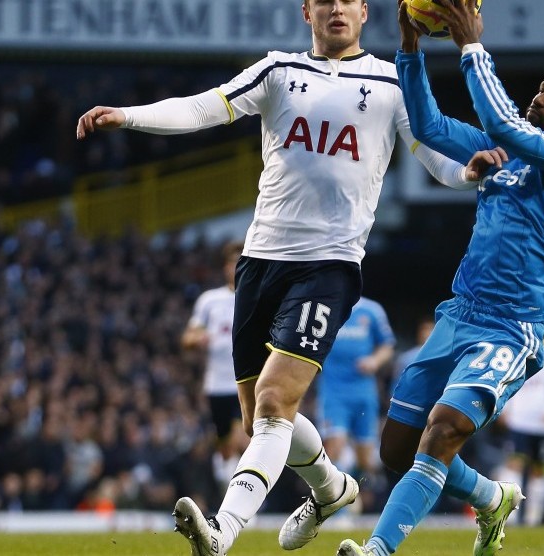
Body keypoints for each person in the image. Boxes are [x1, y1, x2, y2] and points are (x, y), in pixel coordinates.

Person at [76, 1, 489, 555]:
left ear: (365, 12)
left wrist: (468, 174)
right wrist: (129, 115)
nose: (337, 7)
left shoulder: (390, 81)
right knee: (260, 420)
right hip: (260, 260)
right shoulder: (278, 71)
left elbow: (430, 155)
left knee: (273, 403)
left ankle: (222, 531)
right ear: (307, 11)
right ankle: (332, 488)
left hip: (330, 265)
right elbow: (206, 109)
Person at [338, 1, 544, 555]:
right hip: (459, 313)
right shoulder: (503, 151)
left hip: (512, 327)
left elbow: (505, 120)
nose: (540, 96)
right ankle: (489, 497)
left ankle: (377, 550)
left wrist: (470, 44)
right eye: (542, 87)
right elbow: (431, 126)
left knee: (443, 430)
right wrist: (409, 49)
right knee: (396, 451)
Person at [180, 240, 249, 495]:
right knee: (226, 447)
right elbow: (187, 338)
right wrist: (198, 338)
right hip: (217, 384)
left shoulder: (258, 296)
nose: (236, 266)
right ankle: (231, 491)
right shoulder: (210, 300)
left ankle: (242, 497)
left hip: (248, 380)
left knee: (245, 439)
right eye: (232, 262)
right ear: (224, 267)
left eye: (241, 261)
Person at [316, 296, 396, 512]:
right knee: (334, 448)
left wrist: (375, 361)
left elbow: (387, 345)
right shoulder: (326, 308)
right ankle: (333, 506)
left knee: (365, 459)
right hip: (333, 394)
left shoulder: (371, 310)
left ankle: (356, 494)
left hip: (363, 394)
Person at [499, 346, 544, 525]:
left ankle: (534, 518)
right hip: (518, 422)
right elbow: (506, 383)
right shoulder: (515, 353)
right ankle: (513, 517)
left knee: (539, 470)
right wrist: (504, 408)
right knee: (515, 466)